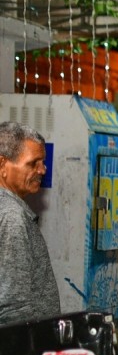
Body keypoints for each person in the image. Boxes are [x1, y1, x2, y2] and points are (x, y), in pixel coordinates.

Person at [0, 121, 60, 326]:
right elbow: (13, 305)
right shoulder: (12, 216)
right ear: (2, 165)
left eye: (42, 162)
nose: (42, 170)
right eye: (33, 163)